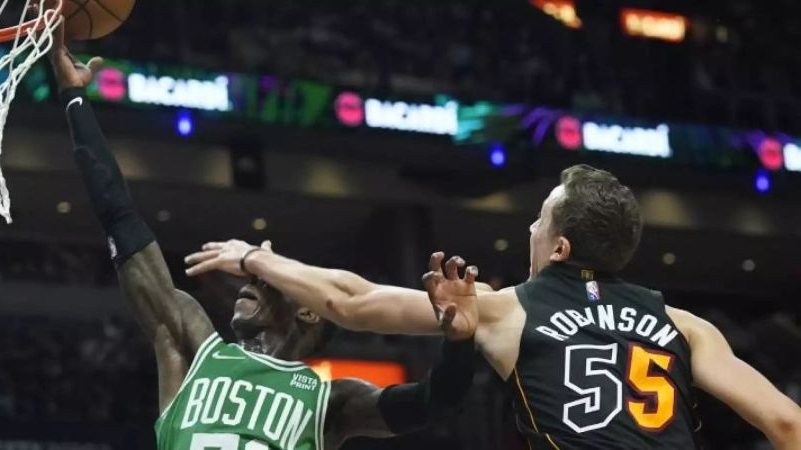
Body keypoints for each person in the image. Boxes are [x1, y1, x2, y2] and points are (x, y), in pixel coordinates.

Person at [48, 24, 479, 450]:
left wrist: (459, 344)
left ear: (310, 312)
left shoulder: (334, 402)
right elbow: (120, 218)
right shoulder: (192, 345)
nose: (250, 280)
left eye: (266, 278)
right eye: (255, 275)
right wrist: (74, 100)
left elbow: (434, 401)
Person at [187, 165, 801, 449]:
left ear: (558, 246)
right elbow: (787, 425)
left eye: (539, 219)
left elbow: (352, 301)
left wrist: (256, 260)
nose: (530, 227)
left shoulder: (509, 309)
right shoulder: (683, 325)